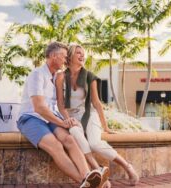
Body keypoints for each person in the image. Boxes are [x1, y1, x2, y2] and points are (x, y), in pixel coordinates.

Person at [17, 42, 101, 188]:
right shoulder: (37, 74)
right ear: (53, 56)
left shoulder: (55, 76)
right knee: (55, 145)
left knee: (69, 139)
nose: (66, 59)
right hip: (31, 117)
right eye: (64, 56)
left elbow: (59, 105)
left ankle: (88, 175)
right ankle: (86, 183)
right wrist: (62, 123)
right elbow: (39, 107)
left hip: (49, 117)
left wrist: (68, 119)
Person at [55, 44, 140, 187]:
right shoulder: (60, 77)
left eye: (83, 54)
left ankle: (127, 166)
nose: (82, 56)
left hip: (89, 114)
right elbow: (60, 104)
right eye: (78, 53)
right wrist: (67, 119)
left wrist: (105, 127)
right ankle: (97, 169)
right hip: (72, 116)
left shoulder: (89, 77)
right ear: (69, 56)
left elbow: (96, 102)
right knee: (75, 132)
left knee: (94, 143)